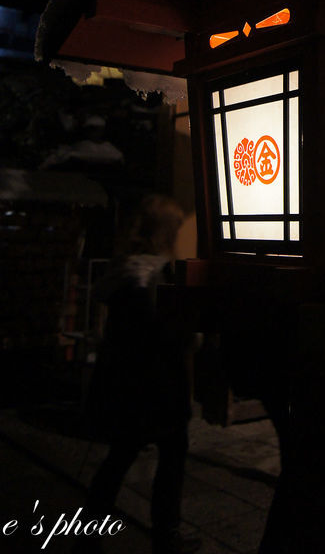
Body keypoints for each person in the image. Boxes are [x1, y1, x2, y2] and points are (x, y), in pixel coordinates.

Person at [80, 194, 200, 554]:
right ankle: (166, 534)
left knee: (120, 456)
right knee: (172, 454)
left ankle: (88, 534)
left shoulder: (123, 270)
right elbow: (173, 333)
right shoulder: (159, 275)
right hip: (159, 385)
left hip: (124, 383)